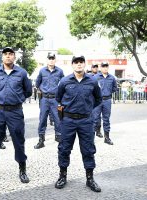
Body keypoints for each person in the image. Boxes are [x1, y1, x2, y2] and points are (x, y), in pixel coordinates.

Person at [0, 47, 32, 183]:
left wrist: (17, 99)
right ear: (2, 58)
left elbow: (28, 91)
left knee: (18, 140)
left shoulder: (22, 73)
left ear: (14, 57)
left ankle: (22, 169)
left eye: (10, 54)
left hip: (15, 111)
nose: (8, 56)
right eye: (5, 54)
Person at [55, 55, 102, 192]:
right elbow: (58, 98)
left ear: (84, 64)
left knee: (88, 149)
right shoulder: (64, 81)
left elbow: (98, 99)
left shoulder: (92, 81)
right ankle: (62, 176)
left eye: (81, 62)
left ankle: (90, 179)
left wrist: (86, 109)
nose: (79, 65)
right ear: (72, 65)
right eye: (76, 62)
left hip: (86, 120)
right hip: (68, 120)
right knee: (64, 148)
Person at [35, 52, 64, 149]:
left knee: (57, 118)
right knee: (42, 119)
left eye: (53, 58)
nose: (51, 60)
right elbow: (37, 84)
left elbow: (64, 84)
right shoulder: (42, 71)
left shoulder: (59, 71)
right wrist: (41, 93)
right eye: (49, 58)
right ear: (47, 60)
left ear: (55, 60)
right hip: (44, 99)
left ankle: (59, 136)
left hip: (55, 99)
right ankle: (41, 139)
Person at [93, 62, 117, 144]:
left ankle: (107, 138)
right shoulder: (95, 77)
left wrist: (108, 92)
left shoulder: (112, 78)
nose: (105, 68)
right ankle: (94, 135)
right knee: (95, 118)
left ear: (108, 67)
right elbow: (92, 88)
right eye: (103, 66)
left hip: (107, 100)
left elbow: (114, 88)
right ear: (100, 67)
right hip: (97, 100)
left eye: (106, 66)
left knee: (106, 119)